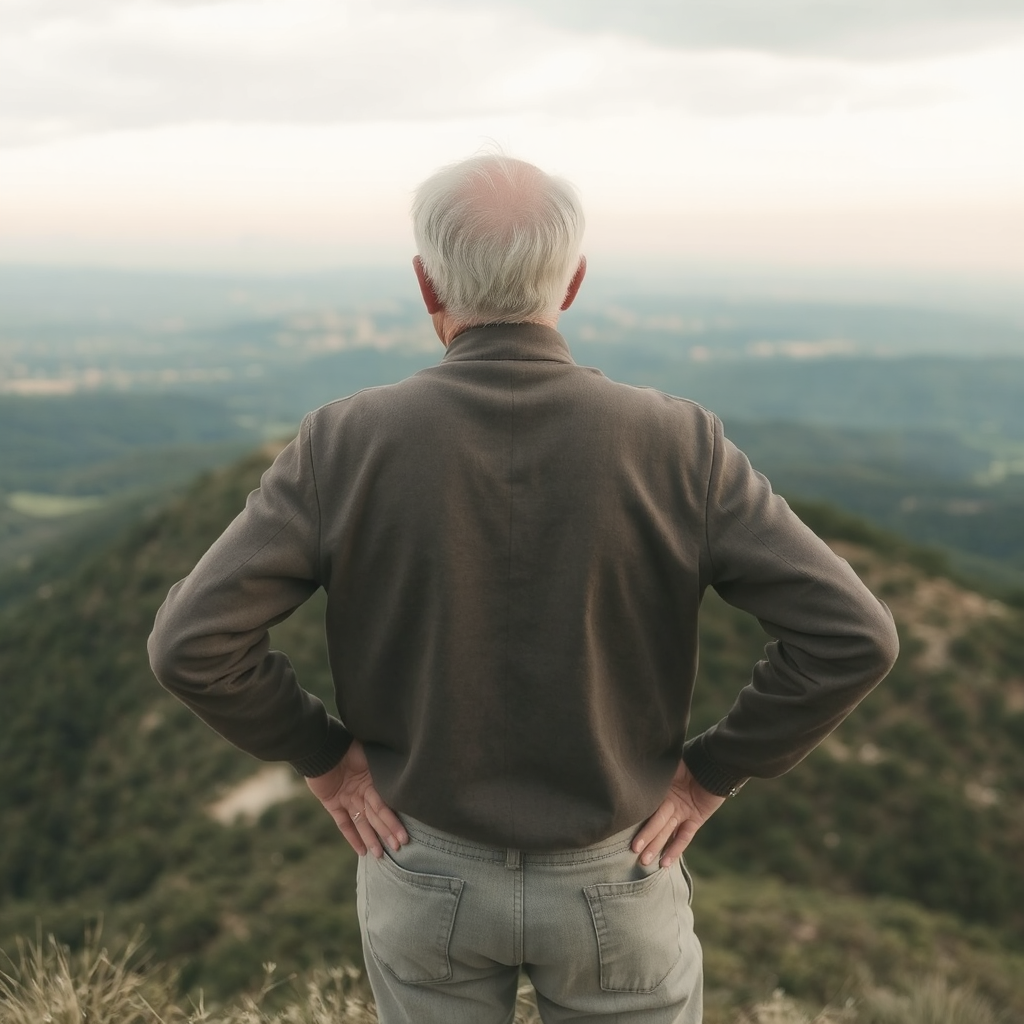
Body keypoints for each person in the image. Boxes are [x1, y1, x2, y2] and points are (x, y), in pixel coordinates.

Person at [148, 154, 899, 1024]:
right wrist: (710, 775)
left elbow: (189, 643)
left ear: (427, 283)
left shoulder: (344, 443)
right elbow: (856, 637)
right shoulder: (678, 445)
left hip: (420, 864)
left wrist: (324, 758)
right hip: (618, 875)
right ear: (572, 280)